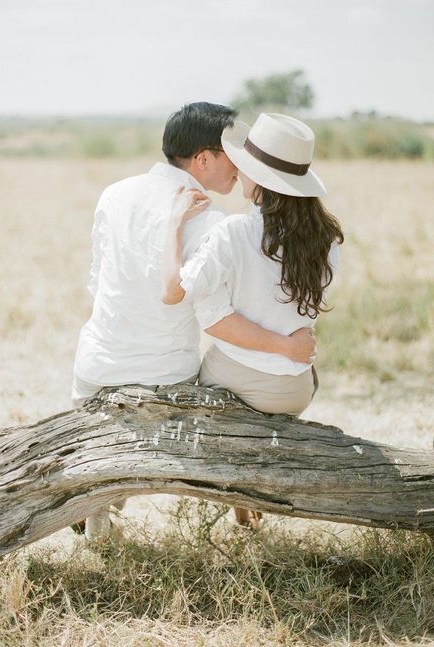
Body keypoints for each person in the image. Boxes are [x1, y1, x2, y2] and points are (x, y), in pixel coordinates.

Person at [72, 104, 317, 538]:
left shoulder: (113, 193)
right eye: (232, 153)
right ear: (204, 159)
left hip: (93, 369)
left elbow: (97, 283)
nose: (240, 164)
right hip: (166, 375)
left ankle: (100, 513)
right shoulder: (209, 219)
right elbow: (218, 314)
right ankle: (239, 502)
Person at [162, 112, 344, 528]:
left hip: (237, 379)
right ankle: (250, 509)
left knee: (205, 371)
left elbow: (195, 306)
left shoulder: (232, 233)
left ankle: (242, 505)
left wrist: (173, 228)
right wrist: (286, 347)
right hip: (296, 387)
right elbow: (302, 317)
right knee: (282, 375)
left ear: (259, 180)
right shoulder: (329, 239)